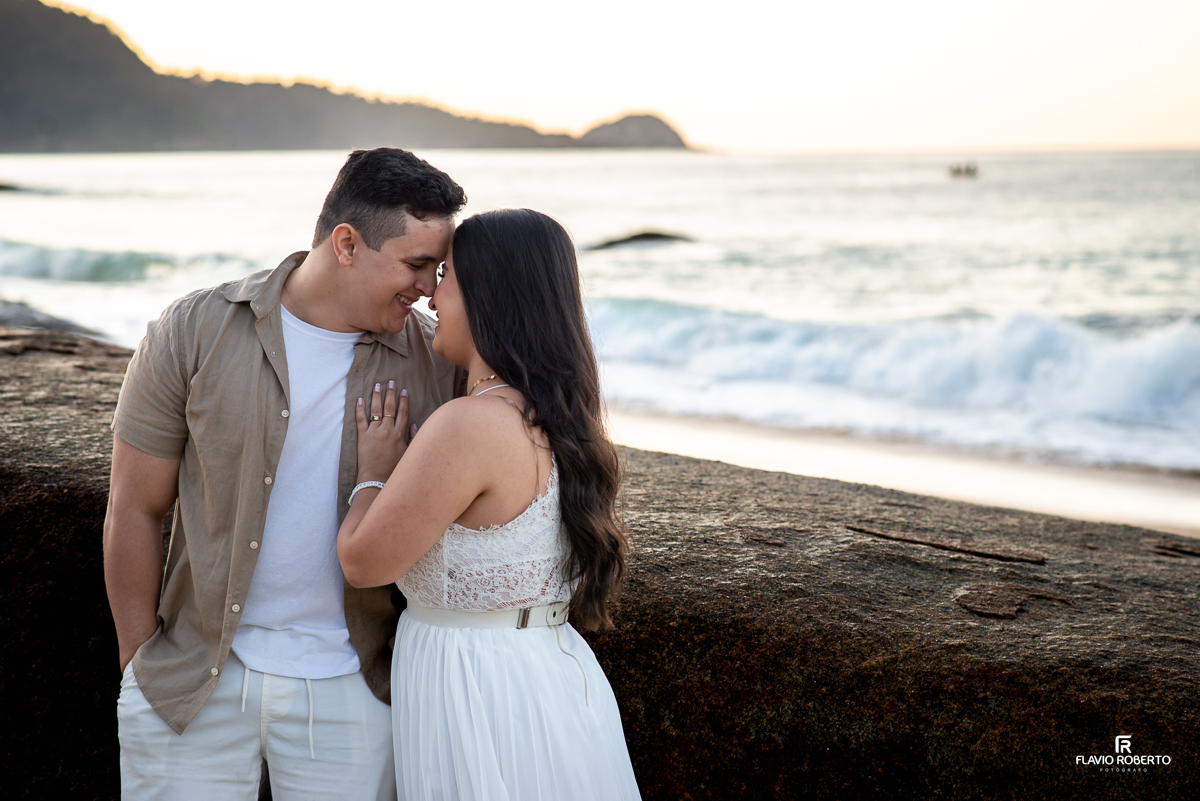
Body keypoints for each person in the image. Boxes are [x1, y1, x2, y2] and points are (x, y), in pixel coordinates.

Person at [104, 147, 466, 799]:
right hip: (194, 683)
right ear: (348, 244)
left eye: (438, 270)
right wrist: (139, 662)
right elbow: (133, 504)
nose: (429, 289)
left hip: (354, 691)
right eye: (417, 265)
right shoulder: (195, 329)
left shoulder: (437, 363)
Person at [337, 208, 642, 800]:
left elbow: (363, 563)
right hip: (546, 674)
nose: (429, 295)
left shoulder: (470, 425)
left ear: (488, 294)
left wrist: (373, 474)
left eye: (445, 274)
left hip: (478, 688)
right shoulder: (560, 416)